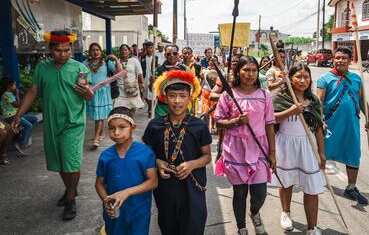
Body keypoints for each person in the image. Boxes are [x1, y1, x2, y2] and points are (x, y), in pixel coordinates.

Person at [11, 30, 94, 220]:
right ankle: (69, 190)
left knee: (71, 162)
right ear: (50, 49)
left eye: (66, 50)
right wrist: (18, 115)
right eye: (58, 51)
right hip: (51, 122)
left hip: (73, 122)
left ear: (71, 49)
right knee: (60, 163)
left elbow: (89, 95)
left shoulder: (79, 68)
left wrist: (86, 92)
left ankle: (71, 199)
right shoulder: (42, 68)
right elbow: (32, 92)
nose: (63, 54)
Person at [143, 70, 212, 235]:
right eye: (172, 95)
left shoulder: (199, 126)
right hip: (165, 189)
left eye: (182, 95)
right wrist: (158, 162)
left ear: (190, 97)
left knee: (193, 225)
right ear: (164, 98)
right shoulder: (154, 125)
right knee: (168, 225)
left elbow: (207, 156)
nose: (177, 101)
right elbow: (146, 152)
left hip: (192, 188)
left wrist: (192, 164)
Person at [214, 55, 276, 235]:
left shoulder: (264, 95)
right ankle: (242, 228)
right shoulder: (228, 95)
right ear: (237, 72)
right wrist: (236, 121)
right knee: (239, 194)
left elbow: (269, 124)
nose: (250, 74)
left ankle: (254, 213)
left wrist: (272, 153)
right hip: (236, 149)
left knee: (260, 193)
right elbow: (218, 122)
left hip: (259, 149)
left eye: (254, 70)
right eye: (246, 70)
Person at [316, 47, 369, 205]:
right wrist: (320, 120)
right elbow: (319, 102)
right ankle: (315, 181)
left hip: (351, 125)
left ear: (350, 61)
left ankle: (351, 187)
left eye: (343, 58)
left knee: (353, 154)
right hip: (330, 124)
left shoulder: (356, 79)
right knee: (321, 154)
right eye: (337, 57)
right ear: (333, 60)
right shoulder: (325, 79)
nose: (340, 60)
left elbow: (362, 100)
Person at [273, 64, 326, 235]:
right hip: (285, 145)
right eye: (298, 76)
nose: (303, 80)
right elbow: (270, 119)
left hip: (308, 146)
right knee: (286, 182)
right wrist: (291, 111)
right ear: (290, 78)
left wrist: (322, 152)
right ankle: (285, 213)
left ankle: (312, 227)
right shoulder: (280, 97)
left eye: (306, 77)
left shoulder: (314, 100)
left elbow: (318, 126)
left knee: (311, 187)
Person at [95, 107, 158, 235]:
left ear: (132, 127)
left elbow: (153, 181)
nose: (116, 132)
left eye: (122, 127)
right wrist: (106, 201)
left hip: (138, 211)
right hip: (114, 211)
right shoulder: (106, 156)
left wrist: (127, 192)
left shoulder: (145, 153)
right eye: (112, 128)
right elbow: (99, 183)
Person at [84, 43, 121, 148]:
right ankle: (99, 134)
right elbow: (81, 76)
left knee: (100, 117)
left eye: (97, 50)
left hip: (103, 93)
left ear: (101, 51)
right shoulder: (85, 64)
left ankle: (96, 138)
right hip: (91, 93)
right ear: (89, 52)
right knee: (96, 116)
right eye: (92, 50)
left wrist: (116, 60)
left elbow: (119, 73)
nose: (95, 52)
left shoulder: (107, 63)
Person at [1, 77, 38, 155]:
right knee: (29, 125)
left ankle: (22, 140)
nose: (15, 86)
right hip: (10, 117)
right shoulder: (7, 95)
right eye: (14, 84)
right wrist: (17, 95)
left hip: (16, 115)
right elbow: (18, 105)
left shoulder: (10, 94)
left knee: (34, 119)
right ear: (9, 85)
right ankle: (22, 143)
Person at [153, 45, 190, 117]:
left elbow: (191, 88)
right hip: (163, 107)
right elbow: (151, 89)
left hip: (180, 106)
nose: (172, 56)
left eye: (175, 53)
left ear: (178, 54)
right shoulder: (158, 70)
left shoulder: (185, 69)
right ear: (165, 55)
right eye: (169, 54)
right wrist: (152, 83)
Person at [114, 44, 145, 115]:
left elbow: (139, 73)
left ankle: (131, 124)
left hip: (132, 88)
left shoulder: (134, 61)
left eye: (125, 50)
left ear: (129, 52)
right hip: (120, 89)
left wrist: (142, 83)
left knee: (132, 112)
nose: (124, 52)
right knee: (121, 111)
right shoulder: (117, 62)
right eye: (122, 50)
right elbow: (116, 74)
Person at [182, 47, 202, 115]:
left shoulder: (197, 66)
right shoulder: (178, 67)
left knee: (192, 120)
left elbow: (202, 78)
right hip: (181, 98)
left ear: (191, 55)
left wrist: (200, 88)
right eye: (185, 53)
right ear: (182, 54)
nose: (187, 55)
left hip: (193, 98)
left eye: (188, 53)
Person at [140, 41, 158, 118]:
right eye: (148, 48)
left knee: (152, 94)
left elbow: (158, 68)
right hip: (144, 78)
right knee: (145, 95)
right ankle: (150, 106)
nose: (150, 49)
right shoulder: (142, 58)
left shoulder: (155, 58)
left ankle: (151, 109)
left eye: (151, 48)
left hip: (152, 78)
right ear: (146, 49)